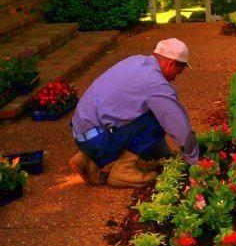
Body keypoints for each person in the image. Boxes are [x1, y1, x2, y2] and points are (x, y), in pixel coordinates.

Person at [69, 38, 199, 188]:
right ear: (170, 63)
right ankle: (123, 171)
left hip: (81, 134)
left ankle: (86, 159)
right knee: (158, 117)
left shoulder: (135, 61)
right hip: (98, 141)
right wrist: (194, 161)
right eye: (178, 72)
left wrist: (165, 157)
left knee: (141, 114)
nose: (175, 78)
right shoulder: (156, 84)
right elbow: (179, 127)